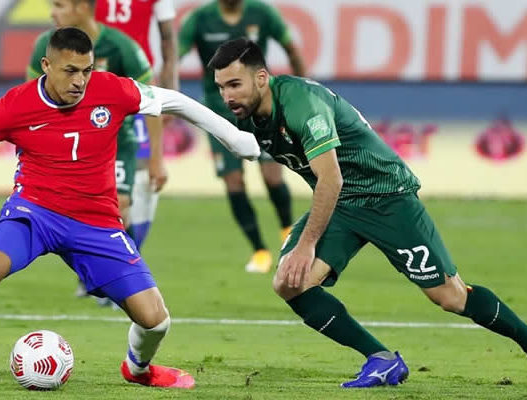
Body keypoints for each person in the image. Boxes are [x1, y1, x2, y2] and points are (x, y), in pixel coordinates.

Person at [0, 28, 259, 389]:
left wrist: (234, 137)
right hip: (34, 213)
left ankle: (138, 370)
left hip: (96, 224)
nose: (80, 81)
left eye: (86, 70)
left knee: (156, 321)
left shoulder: (111, 90)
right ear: (46, 65)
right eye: (70, 71)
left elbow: (175, 101)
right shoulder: (15, 105)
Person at [208, 38, 527, 388]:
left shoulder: (302, 105)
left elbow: (331, 178)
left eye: (234, 85)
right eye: (221, 87)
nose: (228, 96)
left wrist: (305, 245)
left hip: (385, 196)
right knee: (289, 283)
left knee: (450, 297)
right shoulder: (249, 116)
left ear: (261, 78)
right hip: (342, 204)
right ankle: (382, 360)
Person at [27, 0, 160, 299]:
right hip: (67, 146)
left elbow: (153, 102)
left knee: (119, 206)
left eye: (59, 5)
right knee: (77, 210)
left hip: (116, 143)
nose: (52, 12)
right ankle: (94, 274)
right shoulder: (44, 48)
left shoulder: (121, 46)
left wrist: (156, 159)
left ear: (82, 8)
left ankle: (125, 280)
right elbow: (29, 101)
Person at [179, 0, 306, 273]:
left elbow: (292, 48)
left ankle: (288, 232)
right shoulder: (200, 19)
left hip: (261, 108)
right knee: (234, 181)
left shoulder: (262, 13)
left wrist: (303, 90)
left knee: (273, 176)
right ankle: (259, 250)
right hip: (219, 115)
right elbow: (173, 56)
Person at [95, 0, 180, 249]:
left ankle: (131, 251)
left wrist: (170, 85)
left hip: (139, 87)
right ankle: (116, 252)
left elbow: (168, 38)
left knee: (144, 176)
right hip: (97, 87)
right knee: (99, 175)